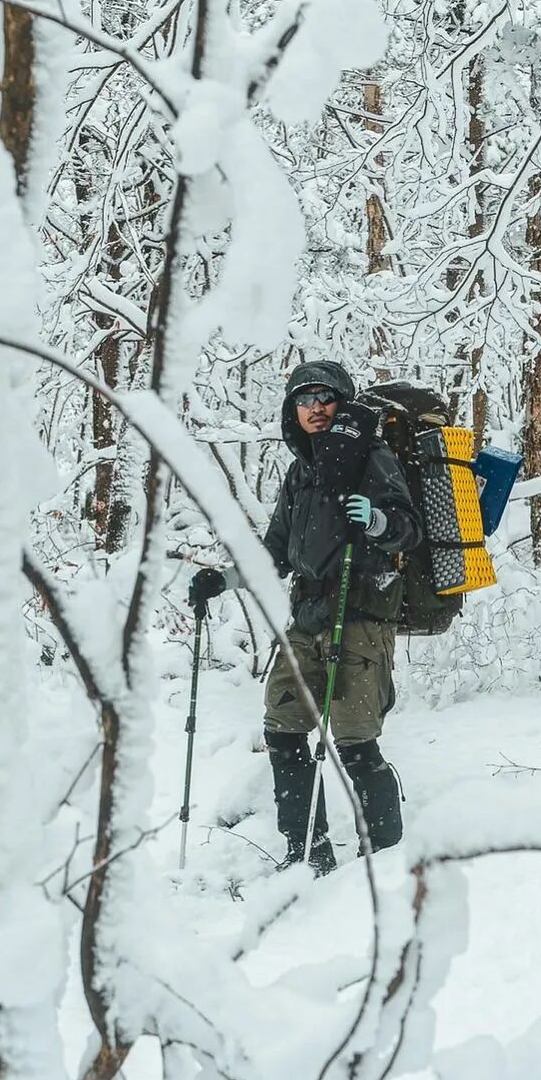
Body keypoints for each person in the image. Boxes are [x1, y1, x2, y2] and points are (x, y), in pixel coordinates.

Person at [189, 360, 422, 876]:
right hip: (309, 617)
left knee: (356, 739)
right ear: (292, 411)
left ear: (342, 402)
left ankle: (384, 855)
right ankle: (306, 852)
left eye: (325, 397)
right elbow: (272, 552)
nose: (315, 408)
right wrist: (222, 580)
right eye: (304, 399)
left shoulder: (373, 457)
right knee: (283, 728)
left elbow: (409, 530)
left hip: (361, 613)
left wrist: (379, 520)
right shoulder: (301, 472)